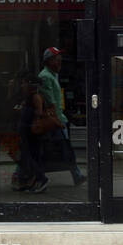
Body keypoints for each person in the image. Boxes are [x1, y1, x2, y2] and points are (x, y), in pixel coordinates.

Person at [38, 46, 86, 186]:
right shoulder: (45, 77)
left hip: (59, 119)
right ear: (48, 61)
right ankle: (36, 175)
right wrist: (58, 122)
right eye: (56, 60)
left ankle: (76, 175)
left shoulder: (53, 75)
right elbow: (50, 102)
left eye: (60, 59)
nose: (59, 62)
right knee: (58, 149)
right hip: (55, 121)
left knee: (63, 150)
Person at [14, 70, 51, 194]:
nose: (22, 86)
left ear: (30, 85)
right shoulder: (28, 98)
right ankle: (32, 181)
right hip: (27, 131)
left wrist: (29, 114)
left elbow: (39, 113)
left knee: (29, 157)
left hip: (32, 132)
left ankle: (42, 179)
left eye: (24, 83)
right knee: (30, 156)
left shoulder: (35, 97)